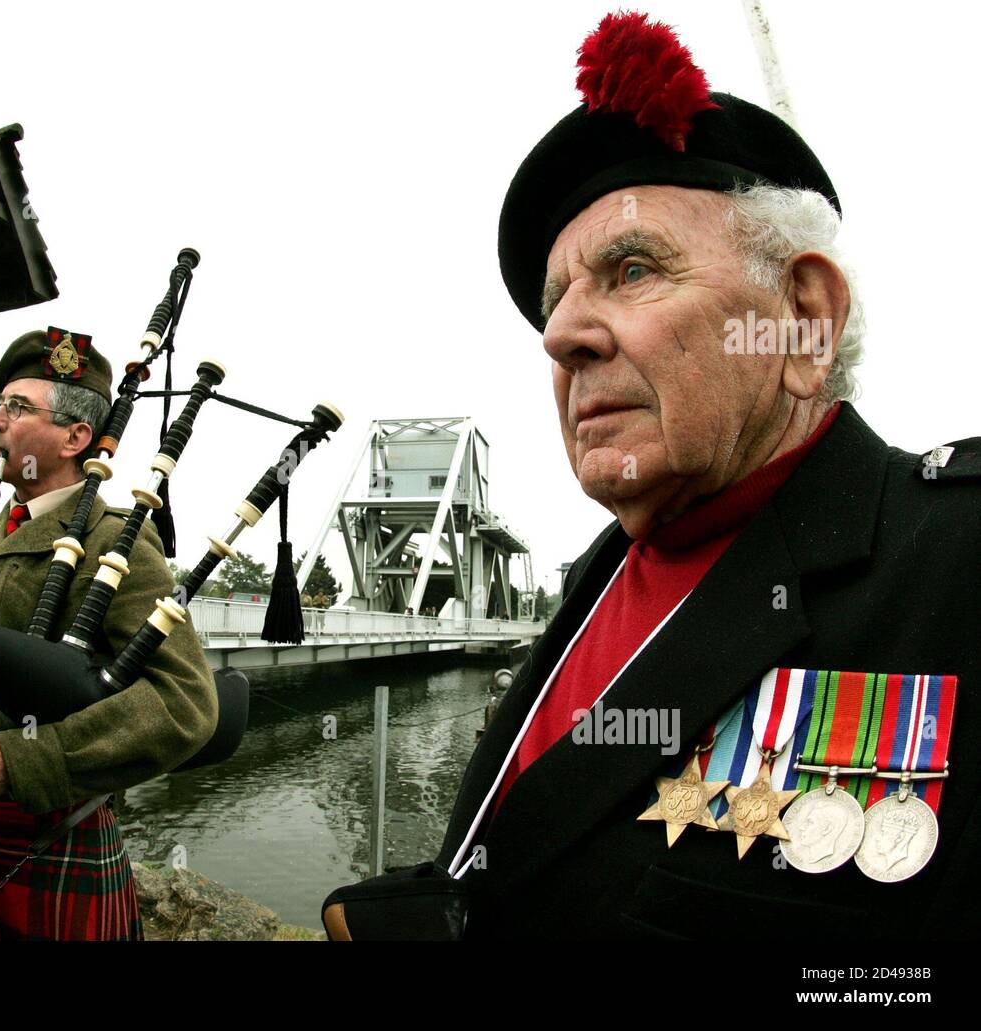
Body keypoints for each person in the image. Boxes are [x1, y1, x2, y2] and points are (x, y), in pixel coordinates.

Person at [325, 12, 980, 941]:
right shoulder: (599, 574)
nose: (560, 336)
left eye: (631, 270)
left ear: (800, 317)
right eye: (555, 302)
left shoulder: (957, 565)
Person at [0, 329, 217, 940]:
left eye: (18, 407)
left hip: (50, 834)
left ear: (77, 438)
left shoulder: (115, 540)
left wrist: (15, 760)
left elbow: (183, 703)